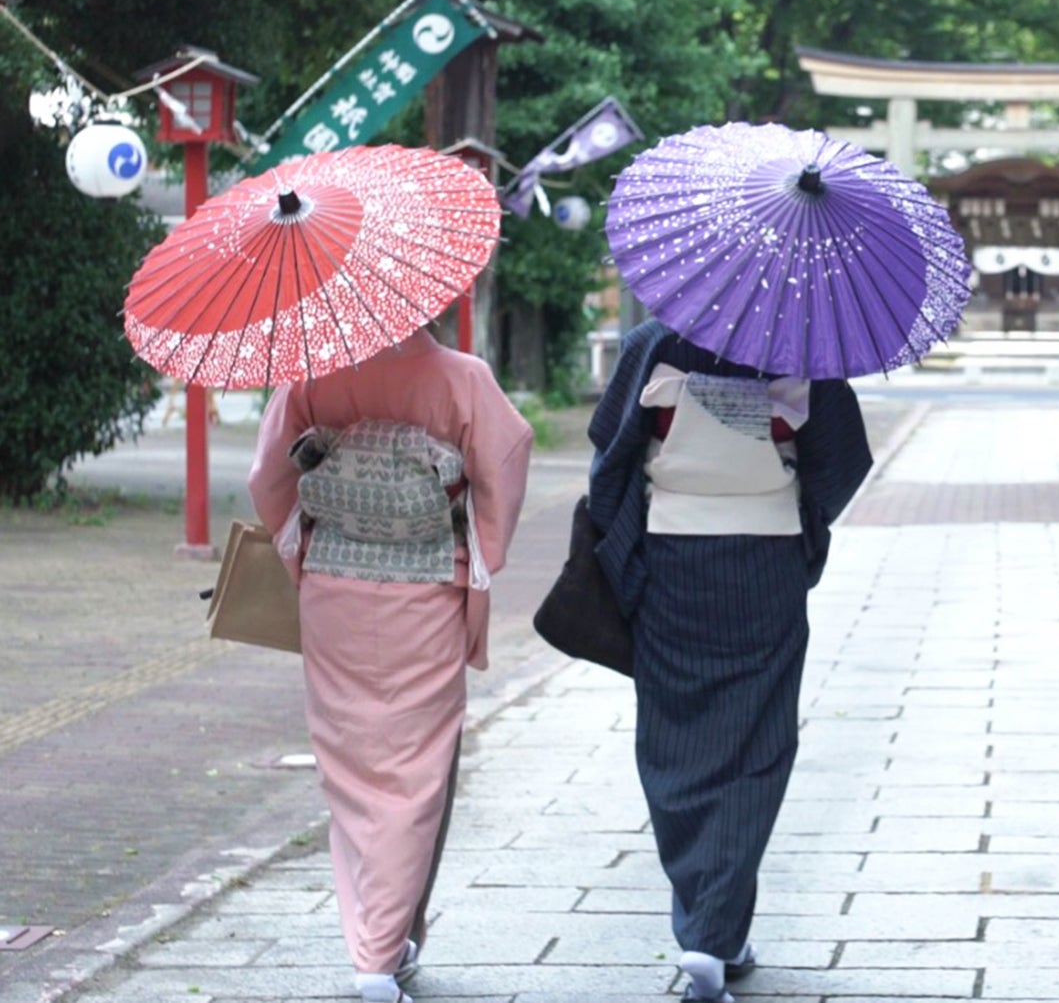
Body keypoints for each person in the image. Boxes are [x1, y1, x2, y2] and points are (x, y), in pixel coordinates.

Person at [587, 318, 872, 1002]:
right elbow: (841, 463)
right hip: (765, 557)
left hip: (671, 555)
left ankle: (708, 927)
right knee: (756, 742)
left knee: (674, 737)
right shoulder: (810, 345)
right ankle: (714, 935)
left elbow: (611, 452)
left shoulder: (653, 342)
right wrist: (791, 512)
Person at [249, 325, 533, 1003]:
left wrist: (303, 554)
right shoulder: (463, 377)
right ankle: (377, 955)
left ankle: (378, 937)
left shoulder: (312, 372)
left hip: (333, 586)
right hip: (427, 587)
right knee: (414, 771)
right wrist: (476, 554)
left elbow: (269, 477)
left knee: (349, 766)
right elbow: (506, 462)